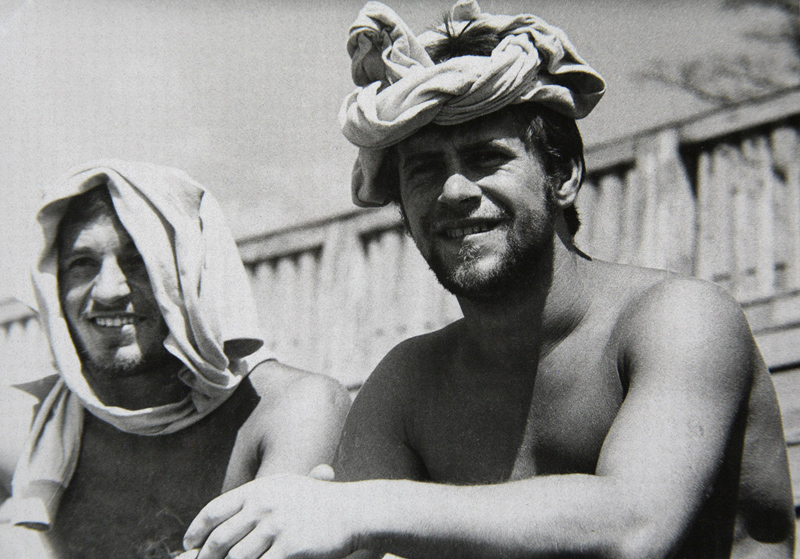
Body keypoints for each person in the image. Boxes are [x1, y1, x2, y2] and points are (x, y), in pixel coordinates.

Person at [181, 1, 796, 558]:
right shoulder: (409, 381)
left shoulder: (679, 319)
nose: (454, 190)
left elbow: (634, 526)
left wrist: (359, 508)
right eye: (424, 170)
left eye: (487, 158)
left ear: (563, 175)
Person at [0, 161, 350, 559]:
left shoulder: (290, 410)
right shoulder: (29, 426)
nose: (109, 290)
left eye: (140, 259)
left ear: (191, 274)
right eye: (82, 263)